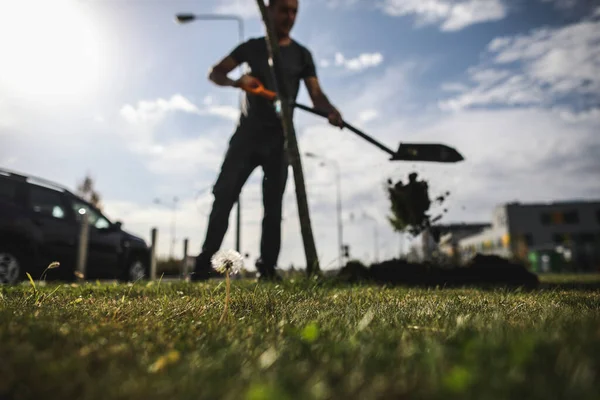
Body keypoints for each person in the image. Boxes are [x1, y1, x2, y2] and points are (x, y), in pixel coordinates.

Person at [191, 0, 343, 282]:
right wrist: (238, 82)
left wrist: (331, 112)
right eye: (284, 9)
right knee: (223, 196)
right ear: (269, 10)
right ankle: (203, 266)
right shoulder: (251, 47)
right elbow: (216, 73)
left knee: (273, 207)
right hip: (246, 138)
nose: (290, 16)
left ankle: (268, 269)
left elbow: (316, 96)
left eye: (294, 11)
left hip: (280, 140)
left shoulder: (302, 55)